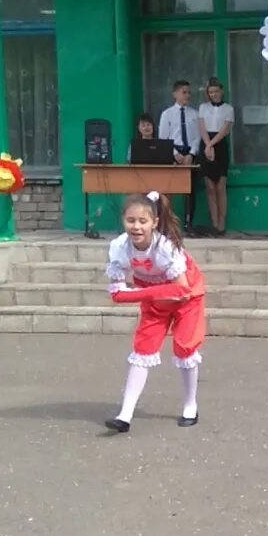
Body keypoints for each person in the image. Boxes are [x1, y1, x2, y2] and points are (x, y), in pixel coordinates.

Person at [102, 191, 206, 433]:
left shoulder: (165, 248)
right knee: (142, 350)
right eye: (130, 221)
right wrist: (148, 293)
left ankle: (190, 405)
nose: (136, 227)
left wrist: (138, 292)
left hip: (187, 298)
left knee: (184, 348)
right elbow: (116, 293)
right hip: (156, 299)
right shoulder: (119, 247)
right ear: (123, 221)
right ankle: (125, 415)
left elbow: (180, 289)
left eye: (142, 221)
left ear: (154, 223)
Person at [158, 80, 203, 230]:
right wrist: (175, 154)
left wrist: (191, 153)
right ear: (175, 94)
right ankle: (168, 223)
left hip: (190, 152)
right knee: (169, 190)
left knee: (190, 190)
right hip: (173, 152)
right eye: (184, 92)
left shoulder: (195, 114)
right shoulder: (167, 114)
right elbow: (163, 137)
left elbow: (198, 136)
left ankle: (189, 222)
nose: (187, 95)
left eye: (189, 92)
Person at [198, 78, 235, 236]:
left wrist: (212, 144)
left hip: (219, 145)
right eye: (210, 92)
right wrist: (207, 145)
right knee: (210, 187)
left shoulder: (229, 108)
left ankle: (221, 223)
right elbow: (201, 126)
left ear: (222, 91)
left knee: (220, 185)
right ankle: (213, 223)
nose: (213, 94)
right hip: (206, 144)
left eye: (216, 91)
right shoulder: (203, 107)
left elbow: (225, 129)